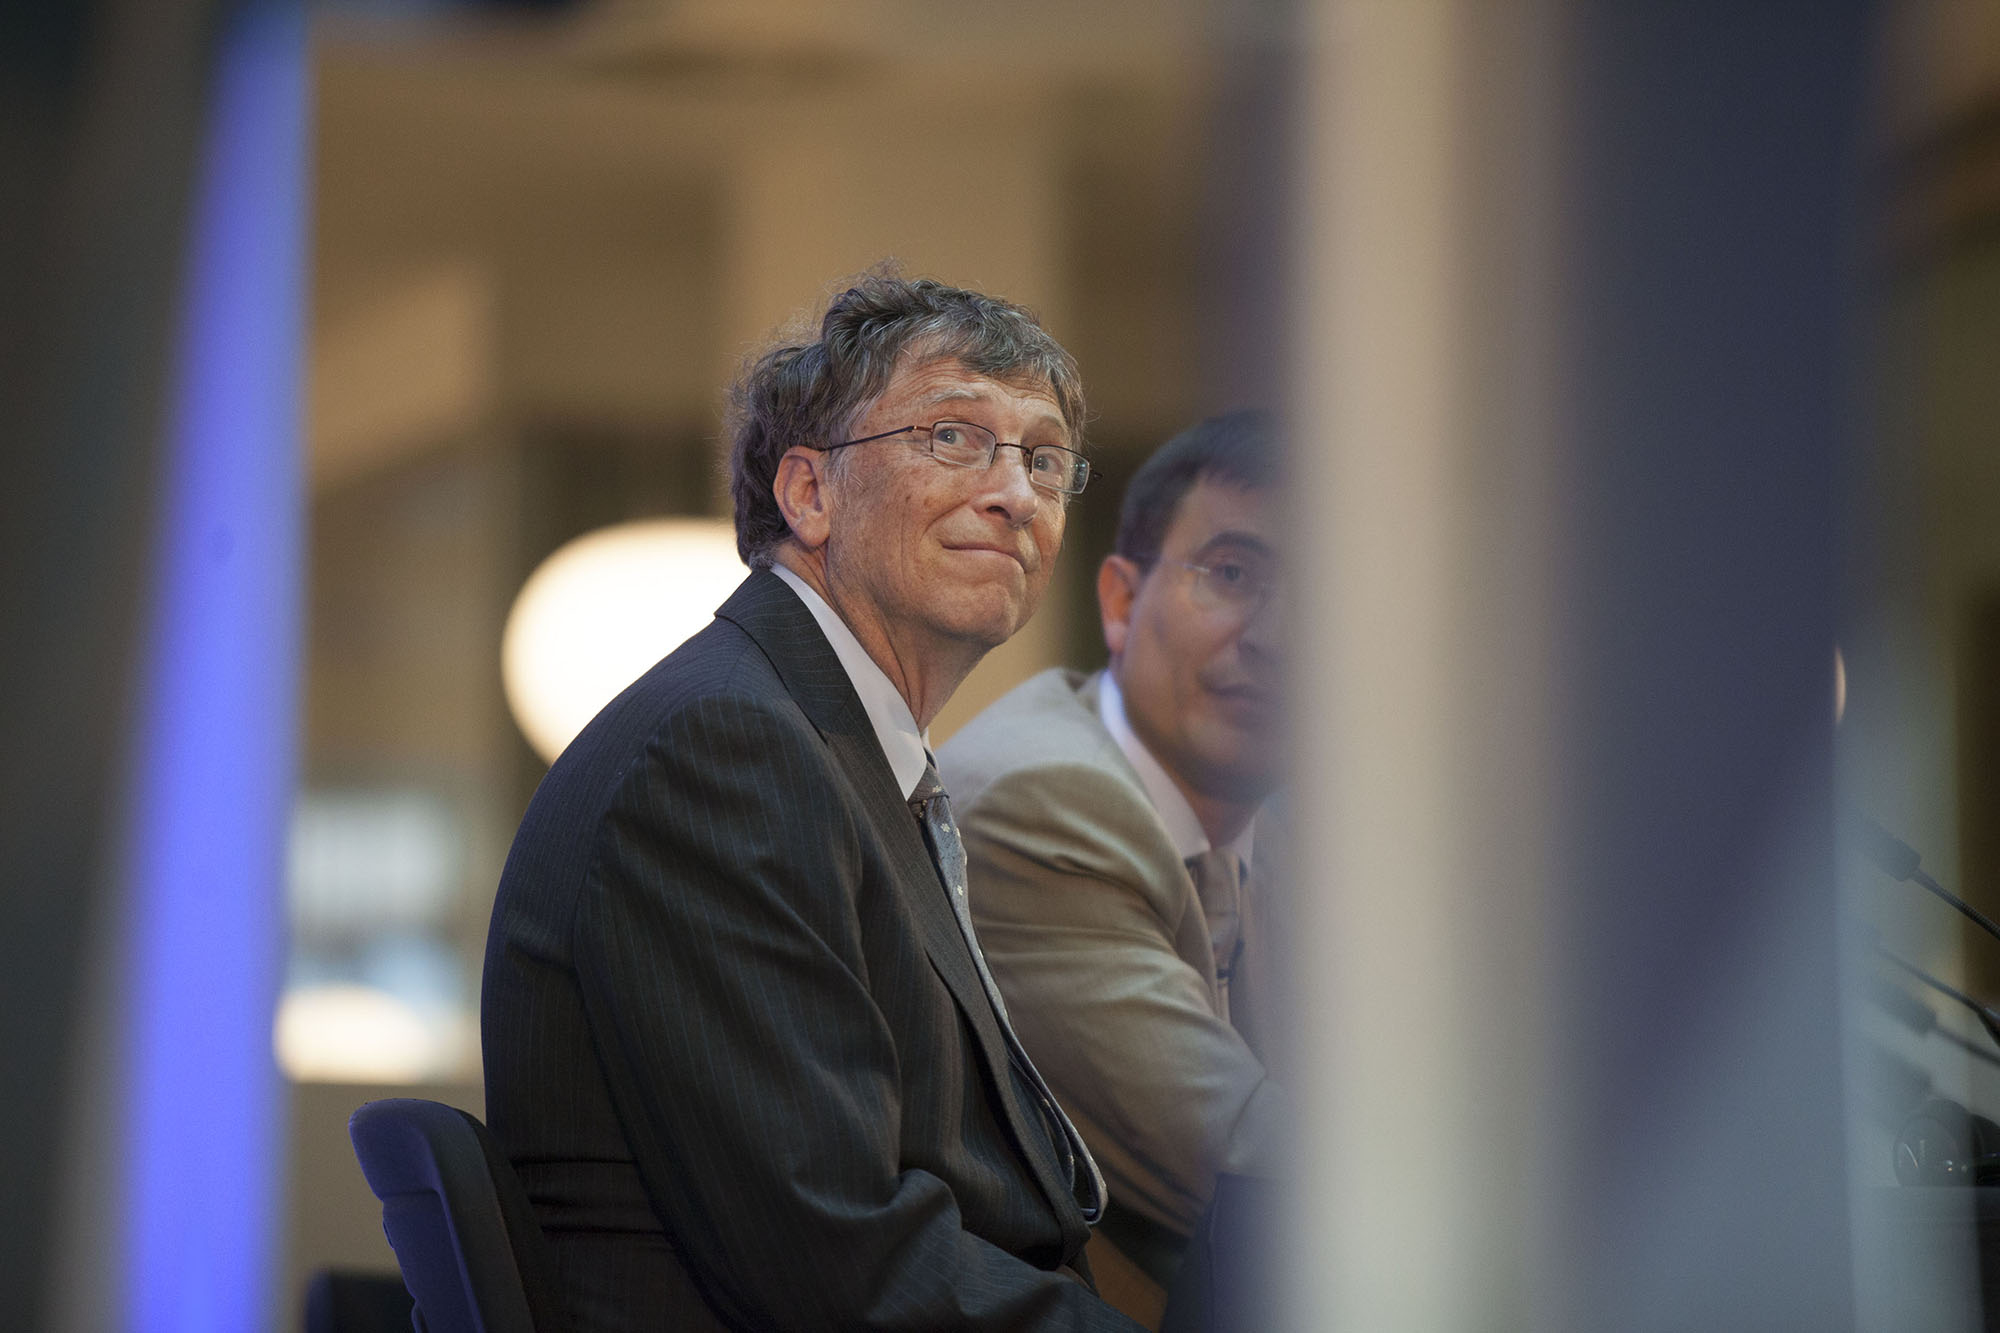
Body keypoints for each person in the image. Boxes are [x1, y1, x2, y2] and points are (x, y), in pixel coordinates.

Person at [481, 274, 1146, 1332]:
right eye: (953, 436)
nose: (1014, 493)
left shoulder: (819, 744)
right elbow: (842, 1264)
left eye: (1042, 458)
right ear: (808, 494)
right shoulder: (727, 750)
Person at [938, 411, 1288, 1326]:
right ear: (1122, 602)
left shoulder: (1305, 838)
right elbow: (1264, 1169)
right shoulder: (1044, 800)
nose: (1281, 638)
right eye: (1236, 574)